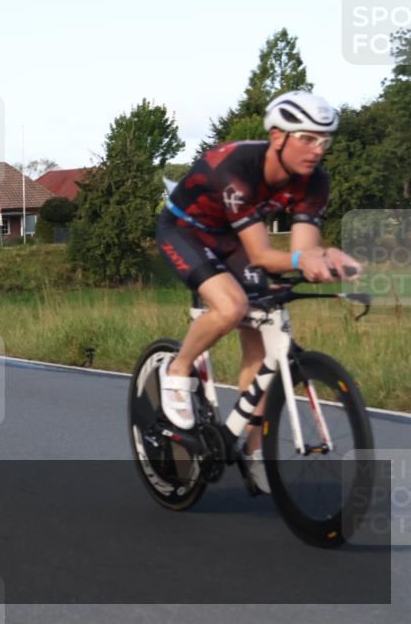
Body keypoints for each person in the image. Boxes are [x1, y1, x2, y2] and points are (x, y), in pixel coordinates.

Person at [155, 90, 362, 493]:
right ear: (278, 136)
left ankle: (253, 449)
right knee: (231, 307)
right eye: (307, 137)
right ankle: (178, 369)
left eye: (325, 140)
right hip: (185, 232)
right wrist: (306, 261)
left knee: (265, 340)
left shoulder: (315, 181)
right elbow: (264, 255)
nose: (317, 149)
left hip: (231, 238)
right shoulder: (238, 168)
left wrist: (327, 258)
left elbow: (303, 249)